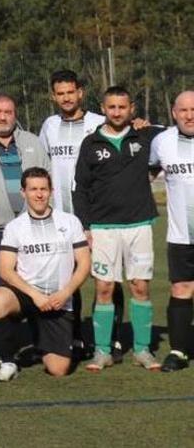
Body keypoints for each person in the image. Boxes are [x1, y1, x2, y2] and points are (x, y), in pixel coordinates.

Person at [73, 86, 164, 372]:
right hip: (103, 228)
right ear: (103, 107)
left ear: (132, 109)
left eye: (122, 107)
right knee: (103, 288)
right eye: (111, 107)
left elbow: (174, 133)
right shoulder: (91, 143)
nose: (116, 112)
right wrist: (86, 226)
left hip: (139, 225)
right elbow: (80, 189)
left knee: (140, 286)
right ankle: (102, 352)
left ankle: (142, 350)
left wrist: (149, 124)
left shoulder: (146, 136)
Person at [0, 167, 91, 381]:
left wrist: (66, 293)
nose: (39, 194)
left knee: (58, 369)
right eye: (33, 189)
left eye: (44, 188)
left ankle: (41, 337)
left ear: (51, 191)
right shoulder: (15, 227)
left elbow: (84, 263)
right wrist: (34, 295)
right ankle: (8, 362)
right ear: (23, 192)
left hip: (58, 299)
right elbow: (5, 270)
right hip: (29, 295)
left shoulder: (70, 221)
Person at [0, 93, 50, 288]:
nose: (2, 117)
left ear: (15, 115)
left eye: (8, 112)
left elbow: (49, 180)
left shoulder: (32, 141)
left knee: (38, 283)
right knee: (0, 288)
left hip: (31, 227)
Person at [149, 90, 194, 372]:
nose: (190, 116)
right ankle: (178, 351)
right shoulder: (161, 142)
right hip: (180, 236)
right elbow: (147, 172)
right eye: (184, 111)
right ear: (174, 113)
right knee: (180, 289)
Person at [39, 69, 105, 215]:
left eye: (70, 92)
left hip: (94, 209)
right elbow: (42, 164)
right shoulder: (49, 125)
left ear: (80, 93)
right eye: (60, 94)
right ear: (53, 97)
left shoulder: (99, 123)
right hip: (60, 212)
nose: (66, 98)